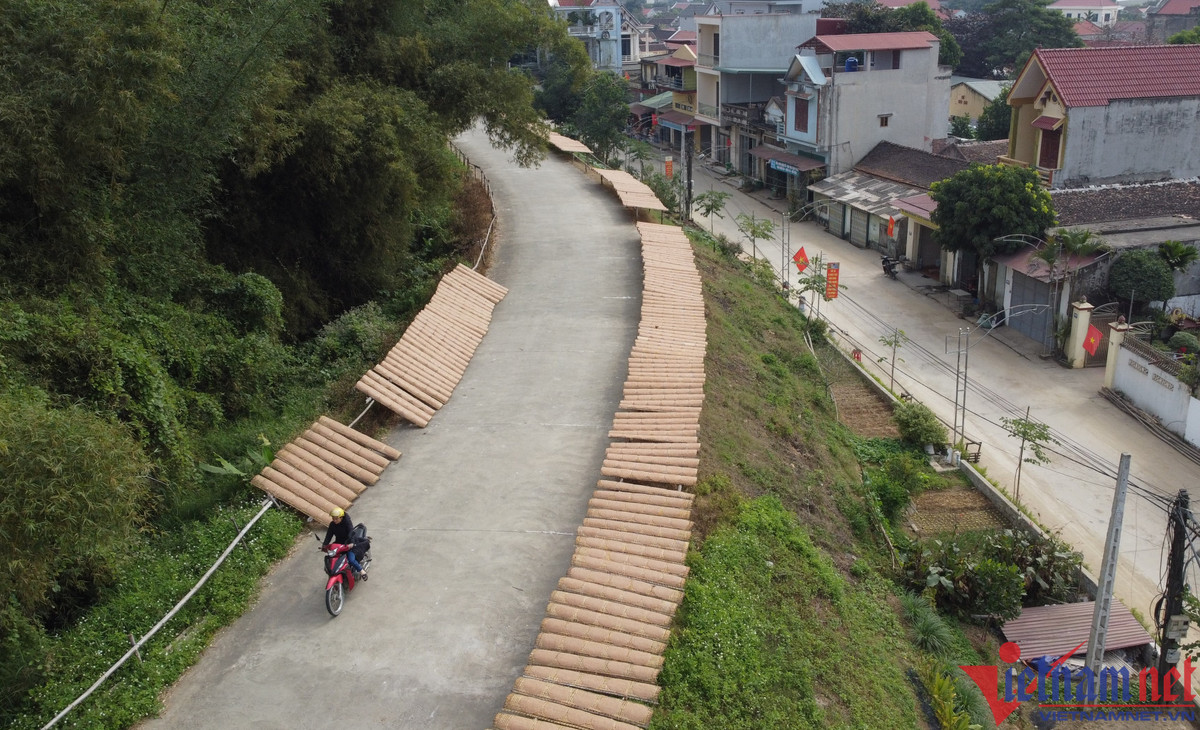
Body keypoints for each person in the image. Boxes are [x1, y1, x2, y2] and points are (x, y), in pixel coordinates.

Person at [321, 507, 367, 579]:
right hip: (339, 543)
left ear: (341, 517)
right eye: (333, 518)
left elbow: (351, 532)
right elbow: (328, 535)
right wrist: (324, 545)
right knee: (332, 557)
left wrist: (351, 543)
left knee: (351, 559)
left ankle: (362, 571)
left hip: (349, 543)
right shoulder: (332, 525)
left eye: (336, 518)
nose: (334, 520)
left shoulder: (347, 523)